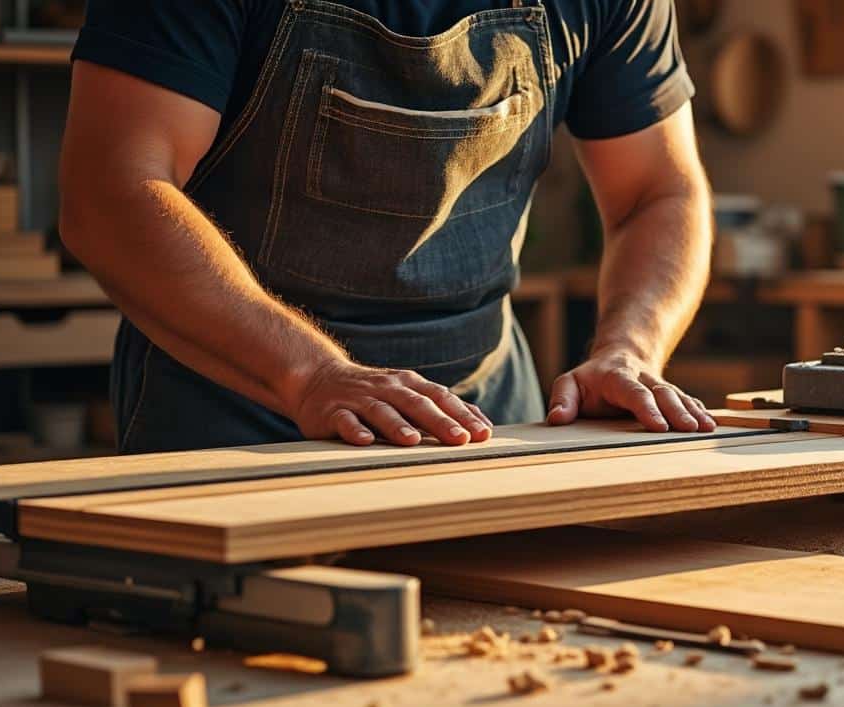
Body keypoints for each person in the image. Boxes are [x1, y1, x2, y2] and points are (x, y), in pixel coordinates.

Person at [58, 0, 716, 454]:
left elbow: (658, 192)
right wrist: (311, 376)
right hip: (238, 412)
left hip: (484, 417)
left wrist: (630, 349)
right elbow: (110, 193)